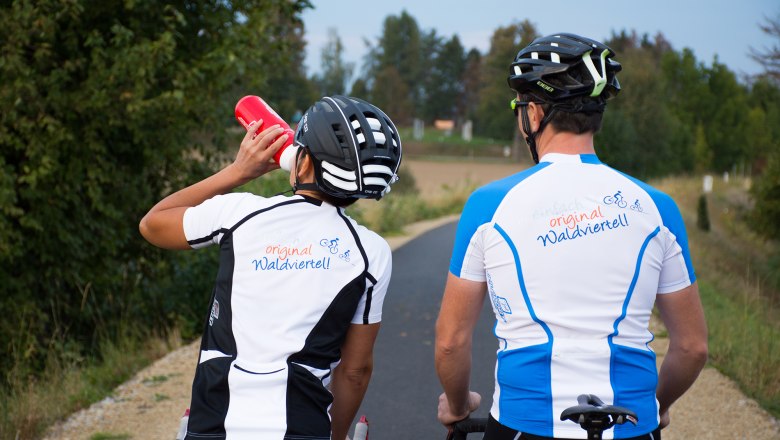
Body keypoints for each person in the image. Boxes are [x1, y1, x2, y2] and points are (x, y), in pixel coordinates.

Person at [435, 33, 708, 440]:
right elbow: (692, 348)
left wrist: (458, 405)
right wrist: (657, 407)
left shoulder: (488, 206)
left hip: (524, 424)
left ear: (534, 113)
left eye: (519, 107)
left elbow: (451, 343)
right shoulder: (658, 207)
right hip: (631, 423)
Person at [139, 95, 402, 440]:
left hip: (213, 424)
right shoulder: (371, 253)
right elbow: (355, 371)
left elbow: (153, 224)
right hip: (303, 427)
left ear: (302, 160)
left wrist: (238, 171)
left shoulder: (240, 215)